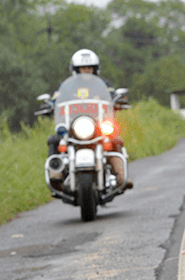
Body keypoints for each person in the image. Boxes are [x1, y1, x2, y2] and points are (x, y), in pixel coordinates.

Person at [47, 49, 132, 189]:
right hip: (73, 126)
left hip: (98, 125)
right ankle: (56, 173)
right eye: (83, 68)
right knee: (54, 140)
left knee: (115, 139)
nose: (86, 71)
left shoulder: (102, 84)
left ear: (95, 69)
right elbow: (56, 98)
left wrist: (118, 100)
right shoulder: (66, 86)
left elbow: (112, 96)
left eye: (89, 68)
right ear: (76, 69)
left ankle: (121, 175)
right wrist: (49, 105)